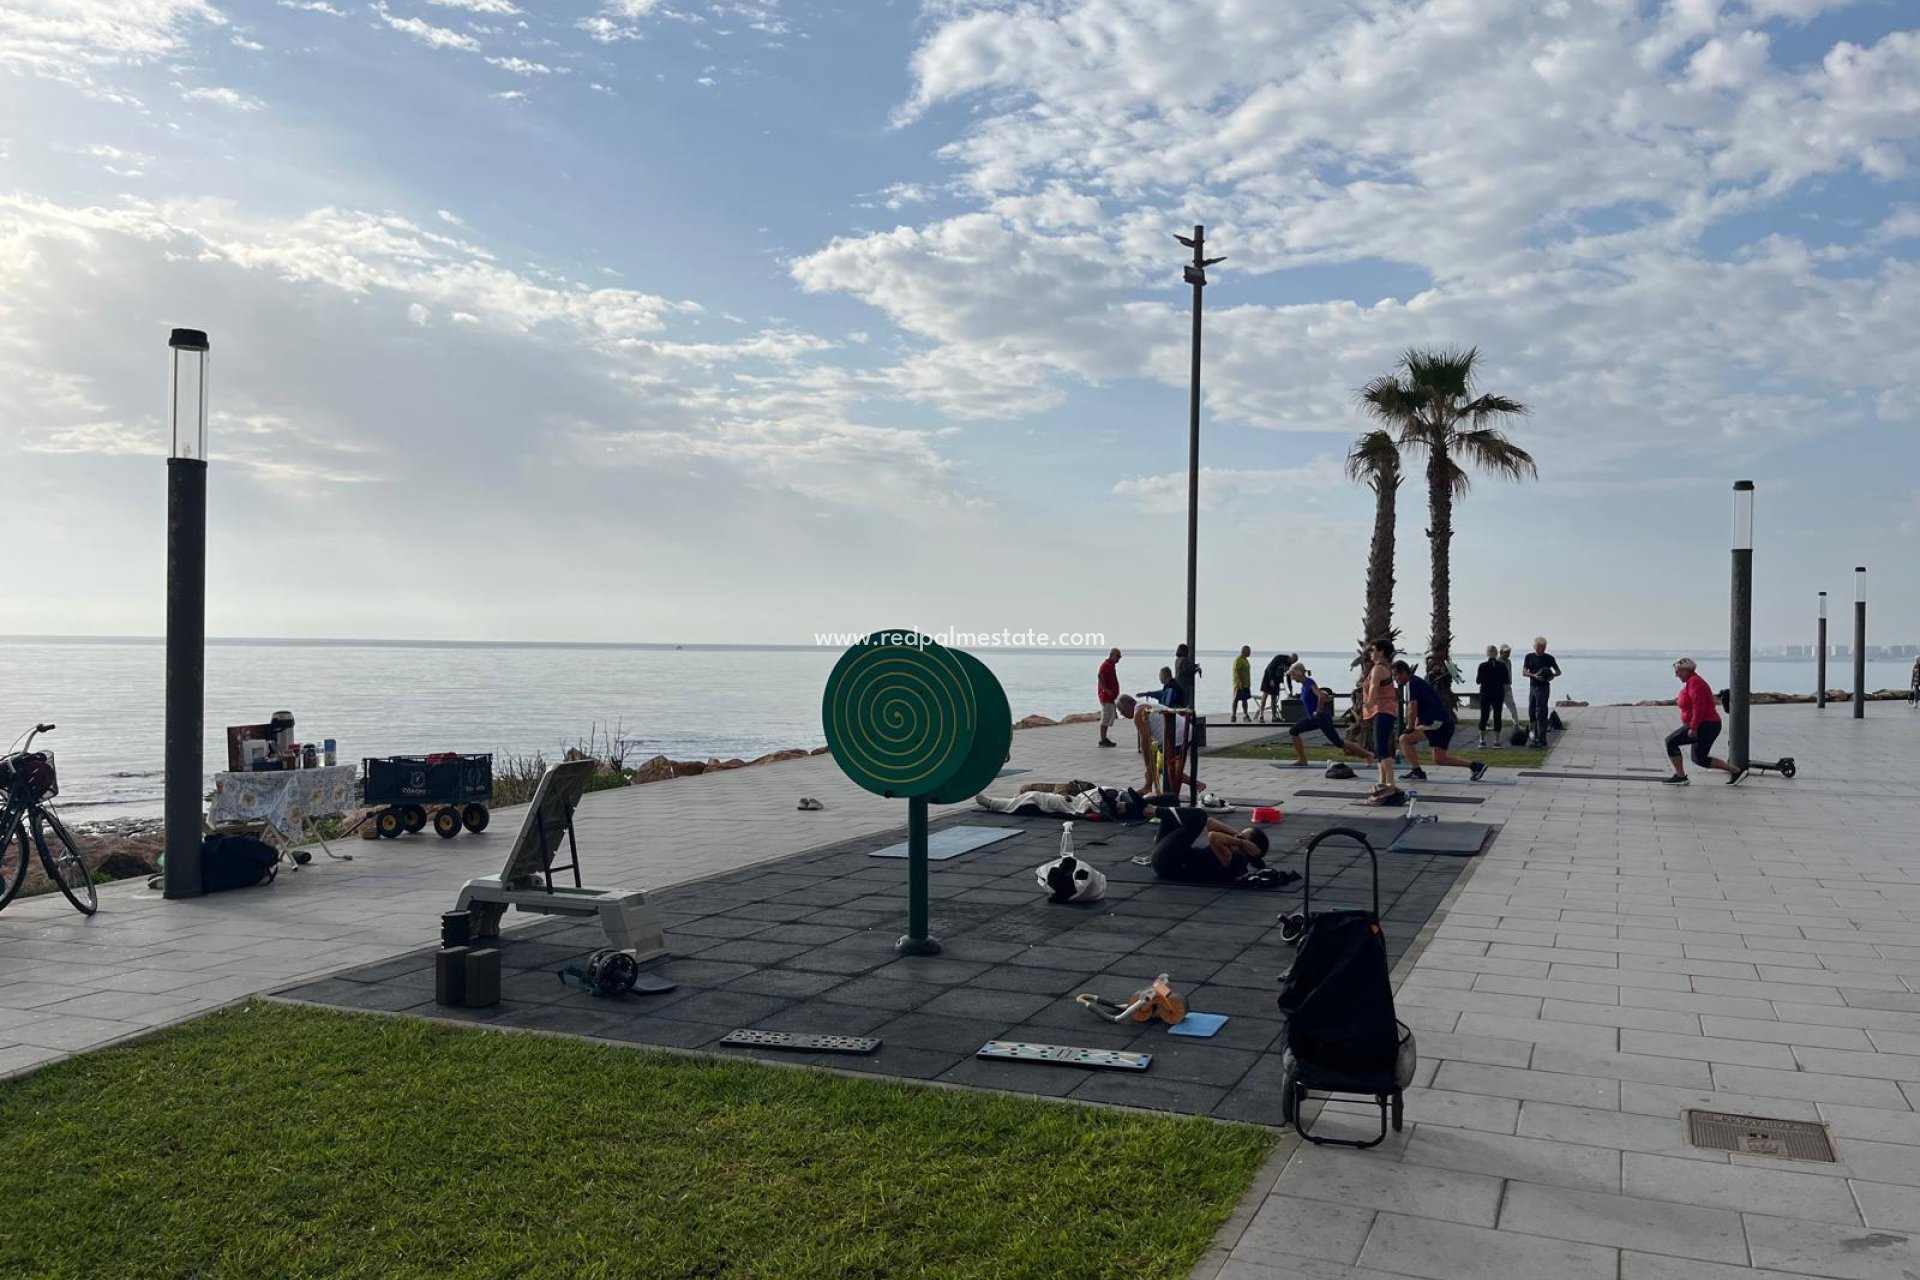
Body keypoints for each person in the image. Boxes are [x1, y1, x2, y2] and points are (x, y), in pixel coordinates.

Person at [1394, 661, 1489, 781]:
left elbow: (1412, 708)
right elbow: (1420, 709)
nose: (1395, 679)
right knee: (1440, 759)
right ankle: (1476, 766)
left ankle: (1417, 772)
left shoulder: (1412, 684)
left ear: (1403, 672)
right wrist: (1415, 727)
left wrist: (1410, 728)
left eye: (1396, 675)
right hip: (1443, 724)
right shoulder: (1416, 682)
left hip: (1437, 724)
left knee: (1404, 739)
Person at [1664, 658, 1744, 785]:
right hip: (1706, 724)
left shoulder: (1696, 683)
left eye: (1678, 672)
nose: (1676, 675)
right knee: (1699, 758)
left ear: (1687, 670)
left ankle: (1680, 776)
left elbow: (1699, 707)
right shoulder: (1691, 683)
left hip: (1705, 725)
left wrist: (1693, 728)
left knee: (1671, 741)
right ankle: (1736, 771)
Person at [1148, 805, 1270, 884]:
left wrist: (1240, 841)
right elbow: (1210, 823)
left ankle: (1149, 809)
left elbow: (1213, 836)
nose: (1237, 837)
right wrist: (1238, 836)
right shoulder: (1236, 849)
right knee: (1171, 801)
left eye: (1242, 837)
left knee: (1199, 816)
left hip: (1167, 863)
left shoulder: (1234, 862)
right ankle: (1139, 806)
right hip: (1169, 857)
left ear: (1249, 848)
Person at [1118, 694, 1199, 795]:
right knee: (1161, 765)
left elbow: (1145, 739)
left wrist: (1147, 764)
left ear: (1129, 704)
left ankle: (1190, 787)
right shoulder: (1143, 705)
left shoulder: (1139, 712)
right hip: (1182, 731)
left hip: (1177, 735)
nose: (1122, 714)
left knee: (1166, 767)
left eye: (1122, 710)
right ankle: (1148, 787)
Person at [1286, 662, 1347, 765]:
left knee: (1338, 743)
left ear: (1299, 673)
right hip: (1315, 718)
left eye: (1292, 675)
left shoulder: (1309, 682)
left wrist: (1318, 711)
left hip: (1321, 717)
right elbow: (1319, 697)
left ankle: (1367, 755)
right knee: (1294, 731)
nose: (1292, 678)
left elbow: (1321, 696)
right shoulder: (1305, 685)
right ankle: (1302, 759)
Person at [1363, 639, 1401, 799]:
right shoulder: (1383, 667)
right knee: (1380, 749)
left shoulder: (1378, 668)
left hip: (1383, 710)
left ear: (1381, 652)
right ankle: (1383, 782)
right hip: (1384, 711)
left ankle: (1390, 784)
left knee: (1382, 748)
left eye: (1373, 650)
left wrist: (1369, 702)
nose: (1371, 653)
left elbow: (1374, 688)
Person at [1522, 637, 1561, 748]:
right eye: (1539, 648)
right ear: (1535, 647)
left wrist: (1551, 676)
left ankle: (1541, 739)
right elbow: (1524, 672)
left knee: (1541, 713)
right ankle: (1534, 736)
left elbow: (1558, 671)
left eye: (1544, 648)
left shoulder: (1549, 658)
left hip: (1543, 688)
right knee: (1532, 712)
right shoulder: (1529, 657)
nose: (1542, 650)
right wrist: (1534, 675)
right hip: (1533, 687)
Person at [1475, 644, 1507, 747]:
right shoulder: (1502, 666)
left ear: (1487, 654)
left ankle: (1482, 740)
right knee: (1497, 715)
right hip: (1498, 692)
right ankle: (1496, 740)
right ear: (1497, 653)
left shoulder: (1482, 666)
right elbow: (1506, 680)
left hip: (1486, 692)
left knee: (1484, 715)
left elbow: (1478, 680)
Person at [1096, 648, 1122, 748]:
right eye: (1118, 656)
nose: (1119, 659)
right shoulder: (1106, 665)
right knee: (1106, 718)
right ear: (1112, 655)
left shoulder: (1111, 666)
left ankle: (1104, 738)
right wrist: (1105, 689)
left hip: (1110, 697)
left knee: (1109, 718)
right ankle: (1102, 740)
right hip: (1106, 697)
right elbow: (1100, 675)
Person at [1256, 652, 1290, 723]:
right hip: (1268, 677)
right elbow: (1270, 668)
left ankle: (1274, 717)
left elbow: (1287, 676)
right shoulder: (1279, 658)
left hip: (1277, 680)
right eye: (1292, 660)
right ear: (1290, 658)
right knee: (1265, 695)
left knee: (1274, 698)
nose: (1291, 662)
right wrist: (1271, 679)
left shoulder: (1289, 664)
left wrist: (1290, 690)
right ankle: (1261, 715)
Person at [1497, 644, 1520, 728]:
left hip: (1507, 688)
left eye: (1509, 652)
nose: (1508, 654)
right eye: (1506, 652)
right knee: (1493, 706)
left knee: (1512, 706)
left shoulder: (1509, 662)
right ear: (1501, 652)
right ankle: (1486, 722)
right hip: (1498, 688)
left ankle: (1516, 723)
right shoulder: (1497, 661)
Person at [1173, 643, 1200, 709]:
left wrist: (1194, 666)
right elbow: (1189, 671)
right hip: (1185, 685)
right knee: (1185, 702)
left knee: (1179, 701)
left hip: (1178, 683)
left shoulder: (1177, 660)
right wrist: (1197, 669)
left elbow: (1185, 668)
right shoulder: (1185, 660)